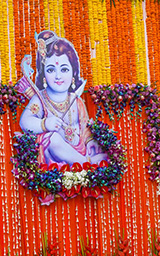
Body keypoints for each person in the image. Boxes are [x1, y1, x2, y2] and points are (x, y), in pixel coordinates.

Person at [18, 30, 107, 166]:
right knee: (53, 139)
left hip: (78, 147)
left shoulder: (76, 101)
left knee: (103, 153)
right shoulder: (40, 99)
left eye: (64, 69)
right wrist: (45, 124)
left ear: (73, 73)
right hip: (55, 152)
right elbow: (25, 121)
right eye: (51, 70)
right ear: (43, 74)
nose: (58, 76)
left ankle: (84, 160)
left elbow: (84, 126)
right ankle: (86, 164)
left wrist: (90, 142)